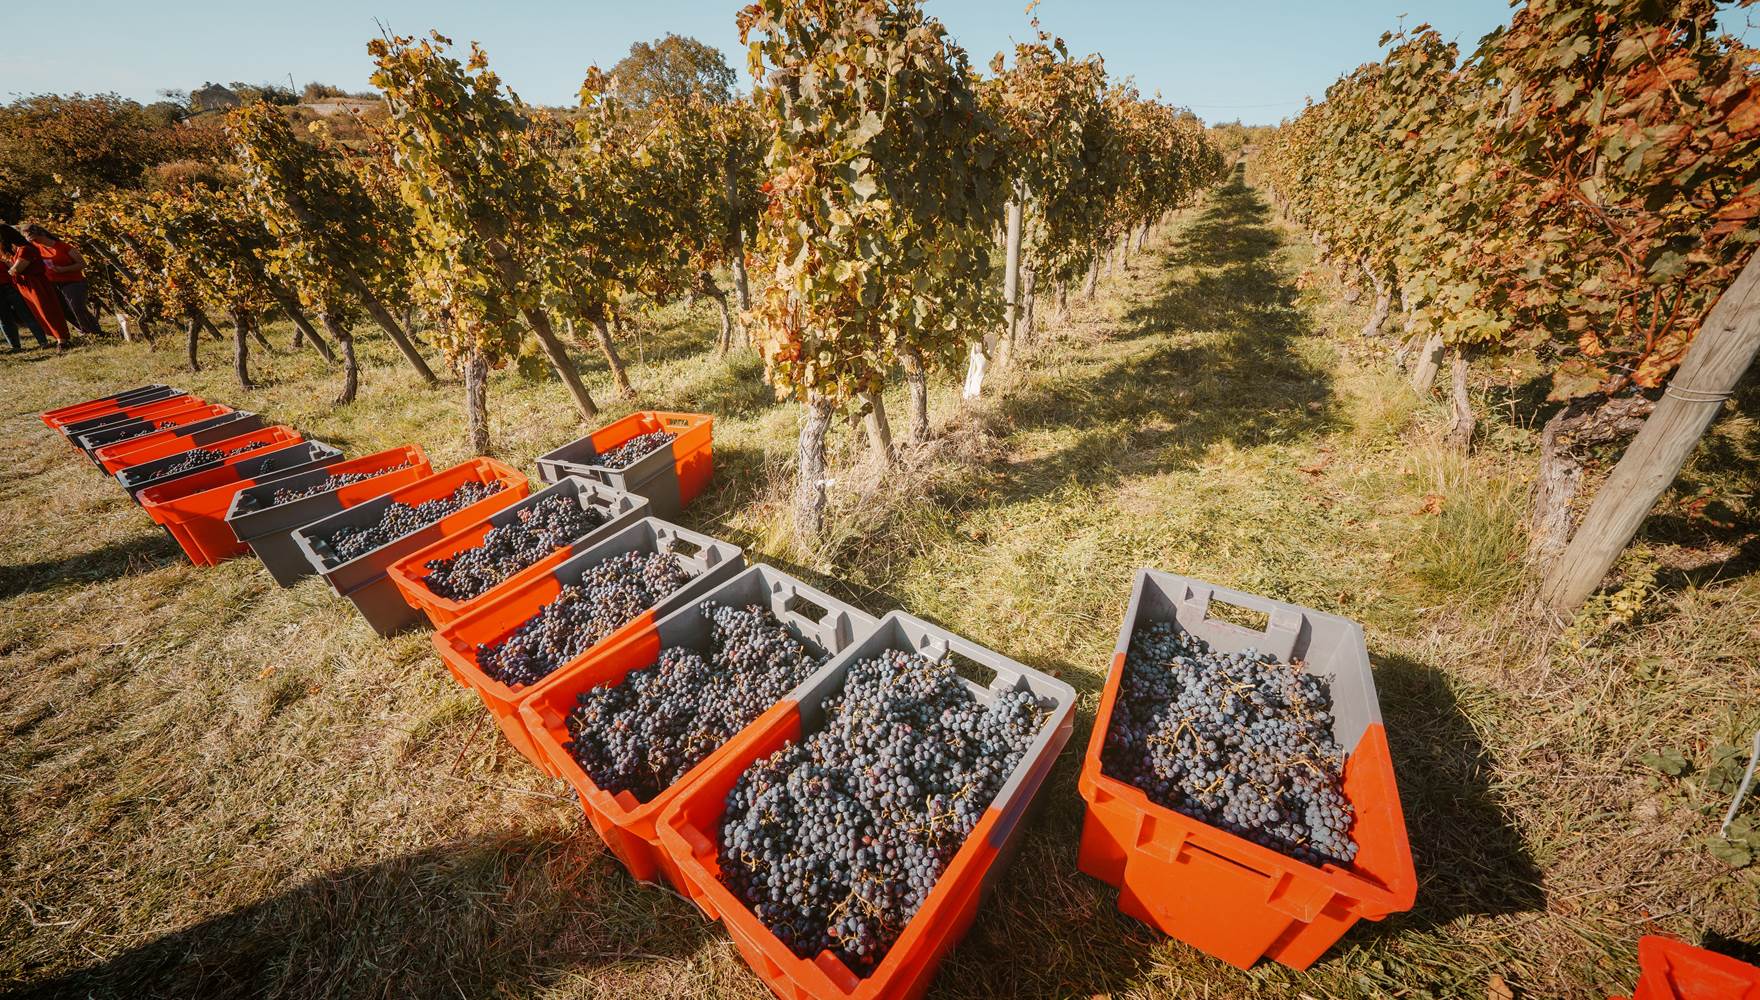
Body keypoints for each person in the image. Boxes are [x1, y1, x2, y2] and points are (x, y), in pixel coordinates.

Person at [23, 224, 103, 338]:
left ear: (42, 234)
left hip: (73, 281)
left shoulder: (63, 247)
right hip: (53, 284)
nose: (33, 242)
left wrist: (64, 269)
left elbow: (82, 264)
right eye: (31, 240)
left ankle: (96, 332)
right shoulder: (36, 248)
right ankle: (84, 330)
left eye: (34, 239)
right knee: (63, 310)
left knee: (76, 307)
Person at [1, 224, 71, 352]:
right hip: (27, 285)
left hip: (36, 284)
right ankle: (59, 338)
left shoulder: (25, 249)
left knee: (48, 311)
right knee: (40, 313)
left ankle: (62, 340)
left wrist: (10, 268)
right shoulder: (19, 250)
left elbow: (16, 269)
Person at [0, 265, 50, 351]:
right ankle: (15, 346)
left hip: (11, 286)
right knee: (4, 319)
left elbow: (13, 266)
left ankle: (43, 341)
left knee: (26, 315)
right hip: (8, 286)